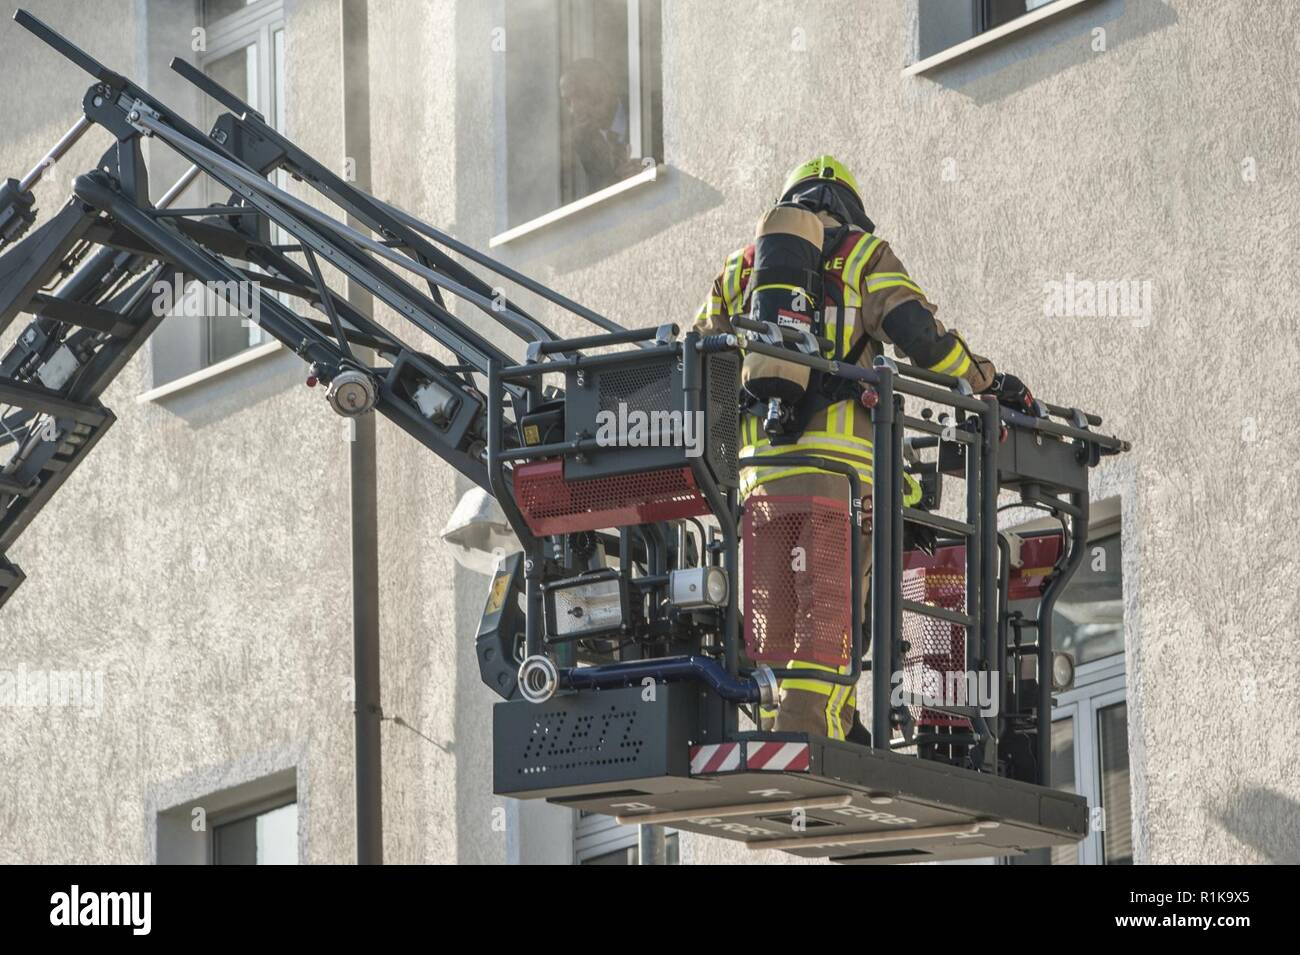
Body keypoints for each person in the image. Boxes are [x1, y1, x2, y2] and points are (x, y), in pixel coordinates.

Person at [692, 155, 1035, 741]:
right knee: (829, 606)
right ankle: (815, 732)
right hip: (839, 479)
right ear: (849, 208)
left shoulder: (742, 267)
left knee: (773, 611)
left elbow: (699, 363)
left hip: (759, 483)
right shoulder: (862, 255)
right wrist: (983, 379)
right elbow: (920, 337)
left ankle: (782, 728)